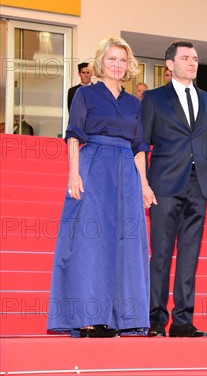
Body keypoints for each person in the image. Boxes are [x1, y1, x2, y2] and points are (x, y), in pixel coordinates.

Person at [47, 37, 151, 338]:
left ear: (128, 65)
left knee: (125, 243)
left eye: (122, 60)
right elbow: (74, 135)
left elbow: (139, 146)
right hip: (93, 168)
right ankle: (91, 317)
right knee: (90, 243)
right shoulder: (86, 95)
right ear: (100, 62)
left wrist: (144, 184)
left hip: (126, 175)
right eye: (111, 60)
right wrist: (73, 173)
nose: (117, 65)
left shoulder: (134, 103)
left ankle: (123, 317)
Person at [142, 41, 207, 338]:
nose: (192, 62)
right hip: (163, 184)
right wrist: (143, 184)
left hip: (198, 186)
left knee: (190, 256)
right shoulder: (153, 99)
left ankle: (182, 321)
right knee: (161, 254)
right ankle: (154, 320)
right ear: (170, 64)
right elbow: (141, 143)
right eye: (186, 58)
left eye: (195, 58)